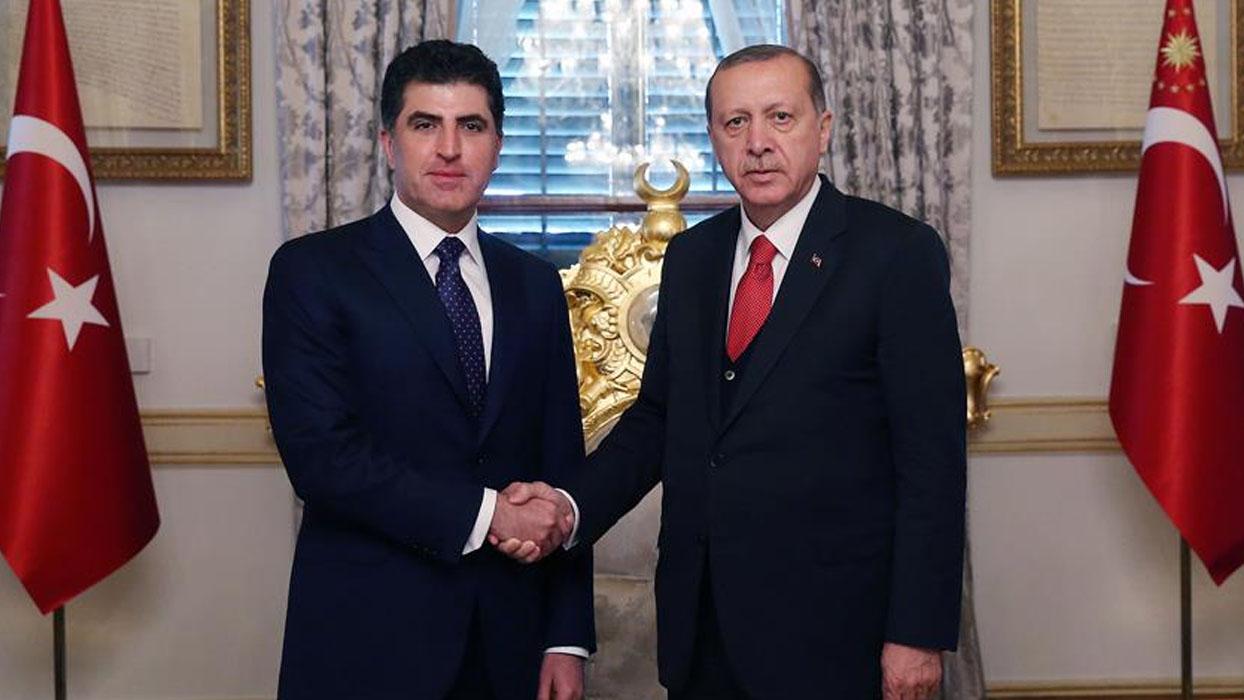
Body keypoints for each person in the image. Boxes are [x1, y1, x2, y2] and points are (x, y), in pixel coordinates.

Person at [500, 45, 966, 699]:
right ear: (714, 136)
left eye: (780, 117)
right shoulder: (694, 257)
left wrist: (916, 633)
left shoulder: (895, 254)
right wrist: (568, 506)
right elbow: (658, 419)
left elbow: (932, 464)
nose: (758, 143)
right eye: (736, 122)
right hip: (702, 629)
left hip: (839, 635)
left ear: (823, 129)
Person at [262, 40, 593, 700]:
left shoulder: (534, 284)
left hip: (509, 643)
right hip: (365, 642)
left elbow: (561, 462)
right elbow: (322, 460)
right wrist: (490, 513)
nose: (449, 149)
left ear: (497, 145)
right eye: (425, 125)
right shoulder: (313, 271)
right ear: (389, 143)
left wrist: (566, 636)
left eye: (471, 126)